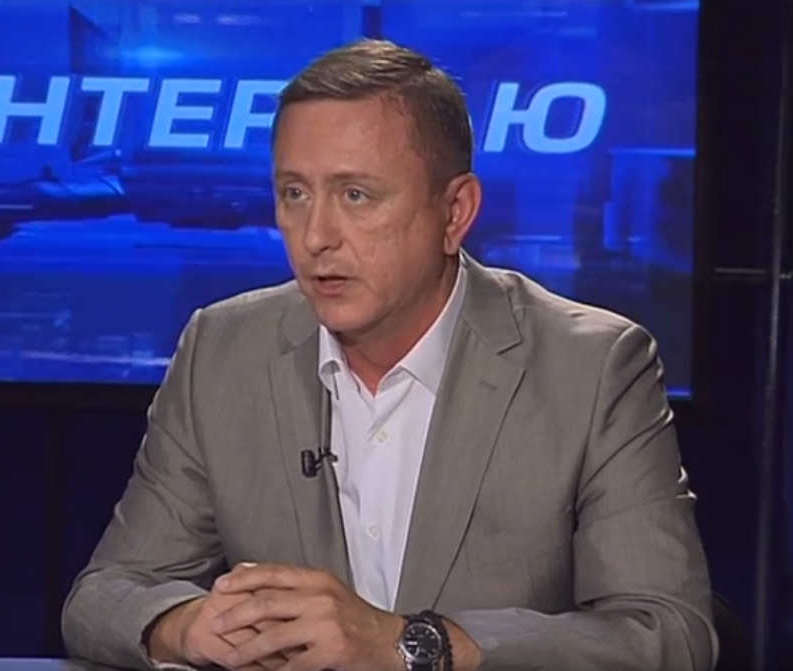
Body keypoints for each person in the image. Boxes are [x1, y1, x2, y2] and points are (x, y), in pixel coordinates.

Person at [62, 39, 717, 671]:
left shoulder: (592, 368)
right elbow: (106, 594)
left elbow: (667, 633)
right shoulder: (223, 350)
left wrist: (411, 645)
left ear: (454, 212)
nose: (316, 237)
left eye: (356, 195)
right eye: (295, 193)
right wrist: (191, 627)